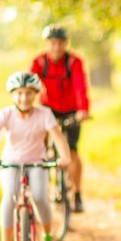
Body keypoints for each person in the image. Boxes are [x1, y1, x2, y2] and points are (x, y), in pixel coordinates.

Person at [0, 71, 71, 241]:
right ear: (12, 95)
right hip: (11, 162)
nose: (24, 98)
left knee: (39, 196)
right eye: (19, 93)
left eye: (28, 93)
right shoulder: (6, 114)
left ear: (35, 94)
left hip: (37, 163)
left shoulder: (44, 114)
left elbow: (58, 138)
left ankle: (47, 235)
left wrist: (65, 156)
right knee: (9, 196)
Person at [30, 25, 90, 212]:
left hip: (71, 110)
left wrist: (83, 110)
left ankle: (77, 193)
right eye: (52, 43)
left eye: (60, 44)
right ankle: (40, 183)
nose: (56, 48)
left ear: (65, 44)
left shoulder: (74, 62)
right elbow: (31, 86)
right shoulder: (39, 62)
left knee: (71, 152)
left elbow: (80, 86)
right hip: (48, 110)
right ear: (46, 44)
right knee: (40, 146)